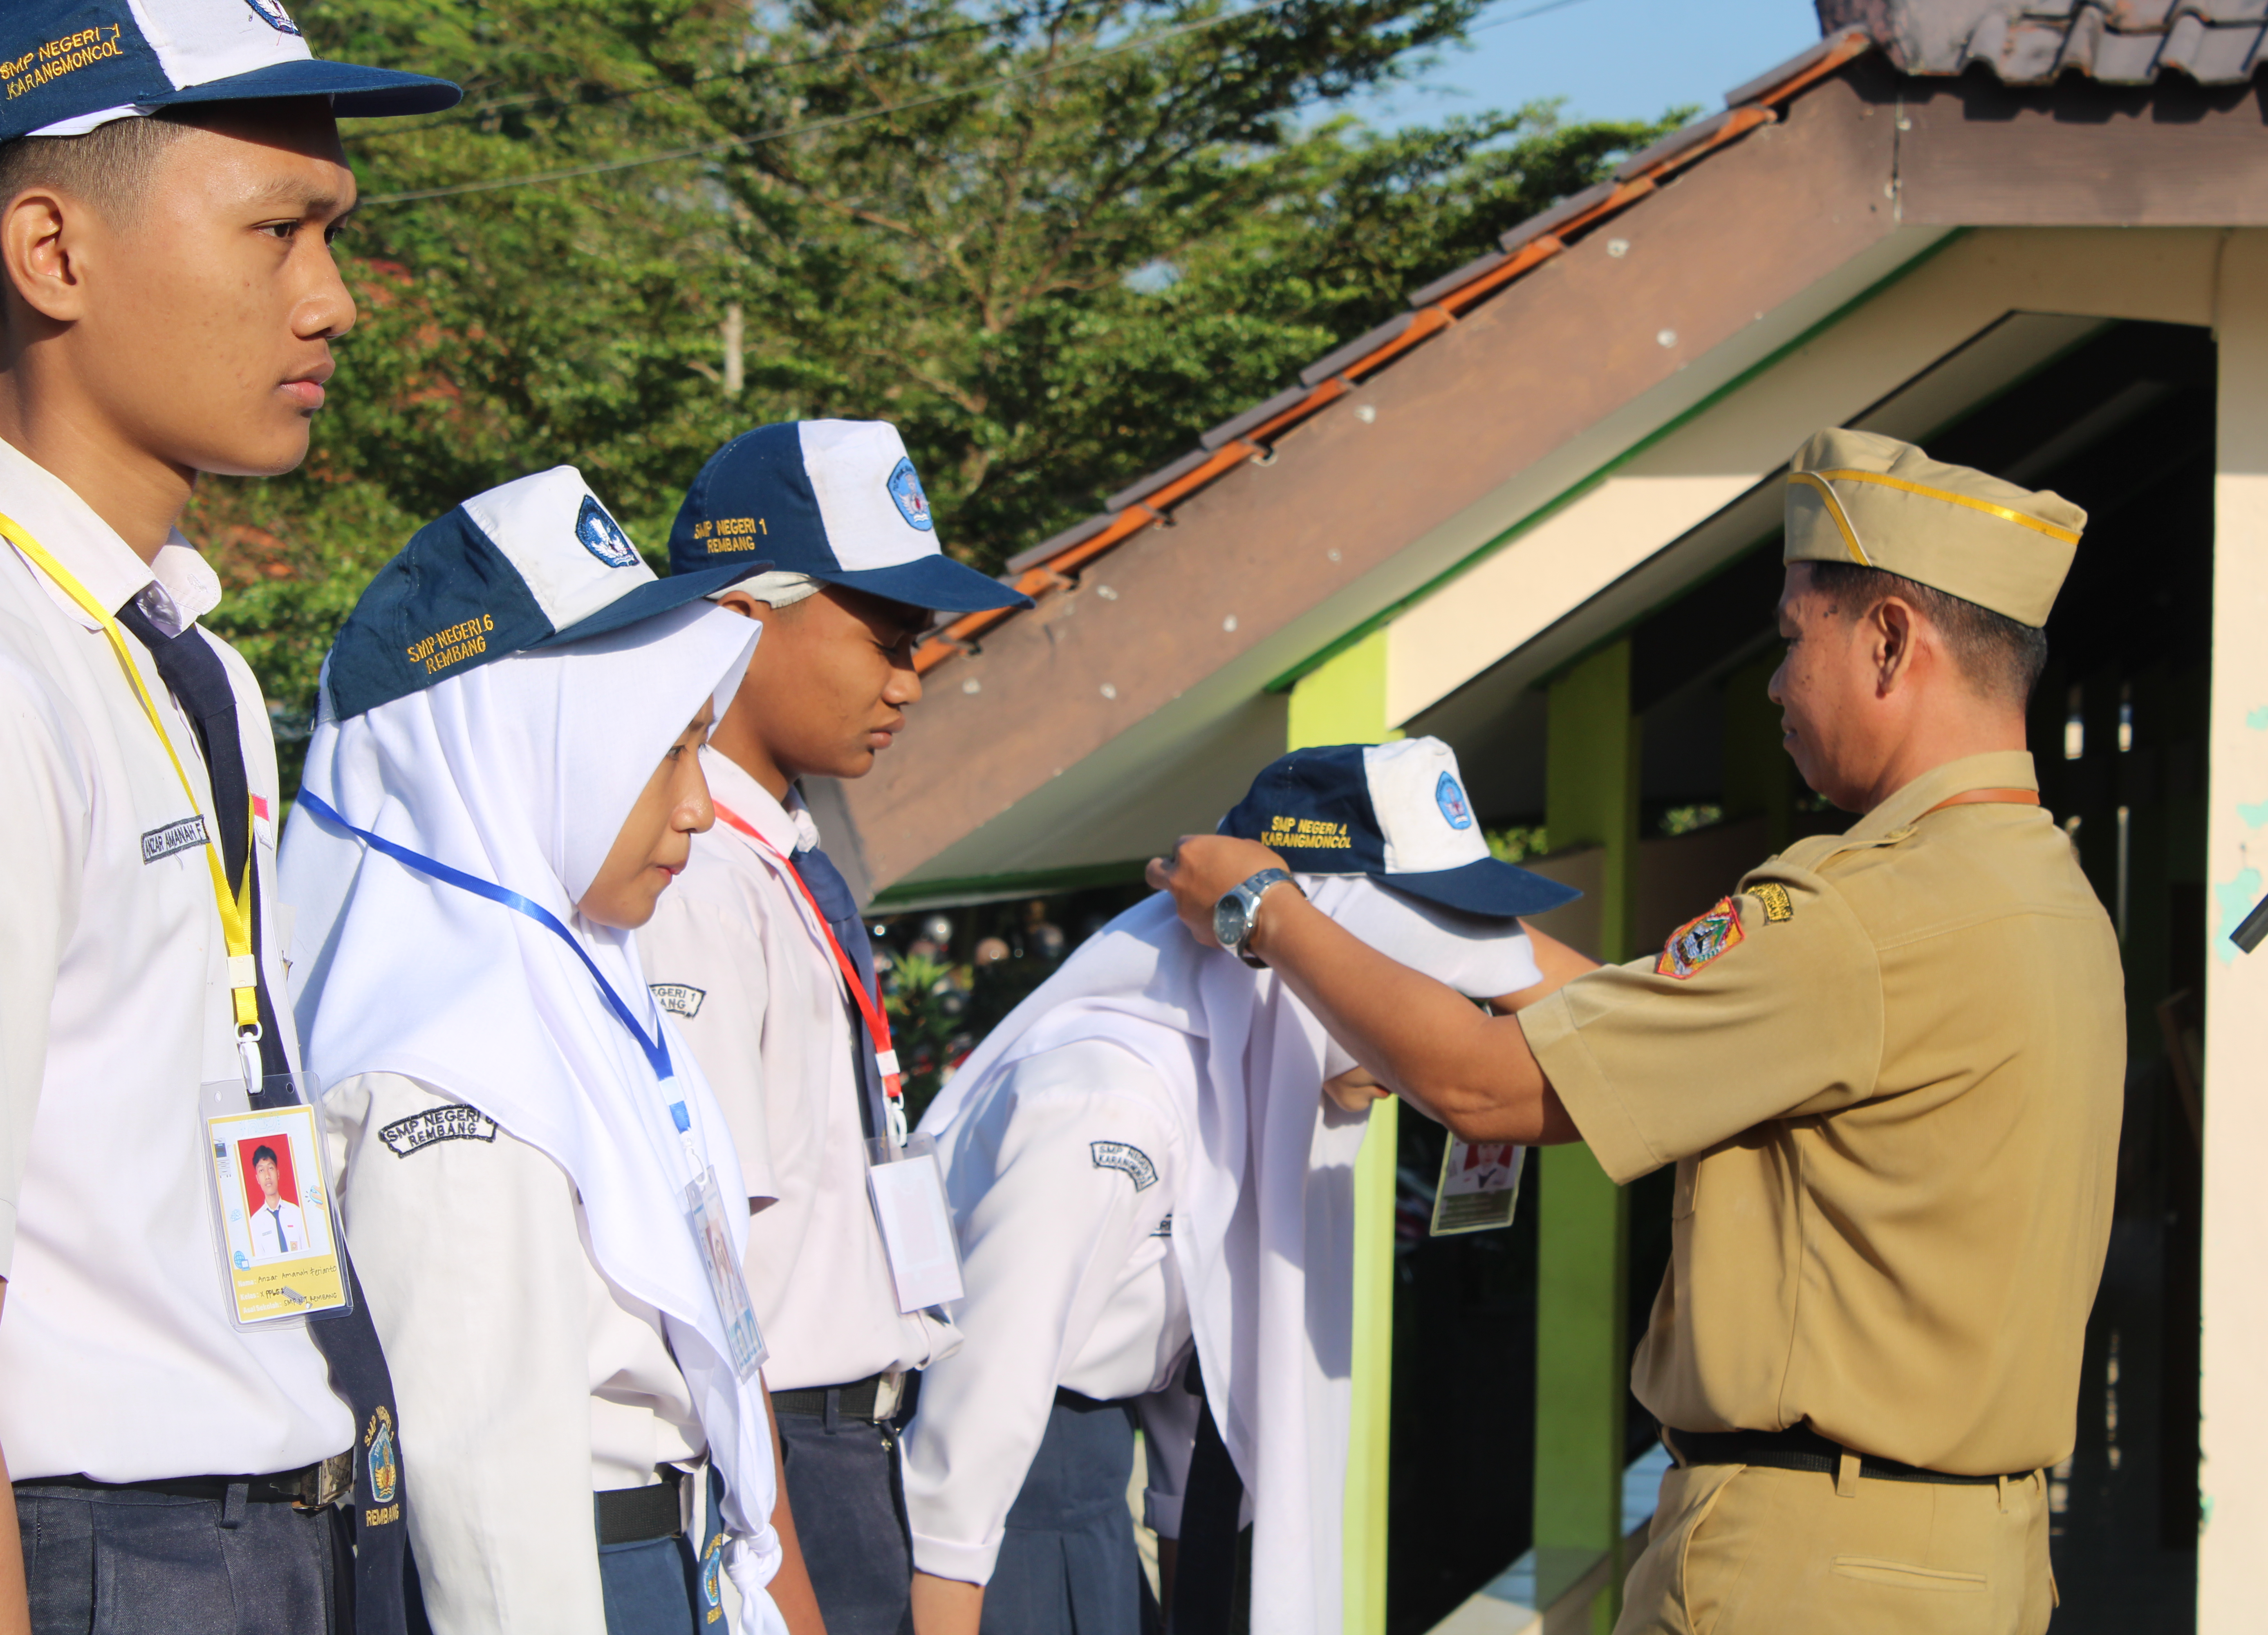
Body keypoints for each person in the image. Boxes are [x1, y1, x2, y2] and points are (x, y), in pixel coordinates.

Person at [1147, 429, 2123, 1635]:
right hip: (1973, 1556)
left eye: (1791, 638)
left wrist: (1264, 910)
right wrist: (1457, 943)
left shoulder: (1857, 914)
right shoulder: (2045, 895)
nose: (1774, 684)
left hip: (1813, 1565)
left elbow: (1492, 1091)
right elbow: (1653, 1021)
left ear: (1886, 640)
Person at [0, 5, 456, 1630]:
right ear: (52, 250)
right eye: (277, 232)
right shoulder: (17, 671)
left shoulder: (176, 657)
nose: (333, 301)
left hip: (264, 1529)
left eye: (333, 235)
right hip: (107, 1547)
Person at [278, 467, 824, 1634]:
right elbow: (492, 1530)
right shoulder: (453, 1068)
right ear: (520, 749)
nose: (697, 807)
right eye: (664, 751)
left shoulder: (573, 998)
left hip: (666, 1559)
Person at [903, 737, 1583, 1635]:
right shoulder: (1114, 1104)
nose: (1432, 1034)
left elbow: (1196, 1409)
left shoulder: (1237, 1092)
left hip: (1081, 1514)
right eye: (1410, 987)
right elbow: (967, 1444)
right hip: (995, 1539)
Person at [637, 418, 1029, 1635]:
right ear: (741, 617)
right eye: (886, 637)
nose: (909, 679)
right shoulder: (691, 881)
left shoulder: (789, 855)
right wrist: (778, 1566)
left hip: (854, 1440)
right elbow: (707, 1259)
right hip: (784, 1448)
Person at [248, 1145, 317, 1261]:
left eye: (271, 1168)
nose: (267, 1176)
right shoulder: (255, 1222)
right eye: (261, 1171)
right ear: (257, 1179)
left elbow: (309, 1253)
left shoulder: (297, 1212)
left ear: (278, 1173)